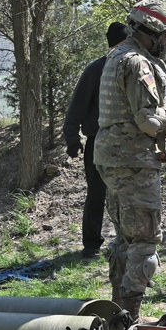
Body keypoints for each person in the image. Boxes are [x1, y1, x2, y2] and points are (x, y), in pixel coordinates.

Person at [94, 0, 166, 323]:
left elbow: (136, 108)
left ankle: (116, 313)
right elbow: (148, 122)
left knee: (125, 241)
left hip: (112, 160)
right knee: (145, 248)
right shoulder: (138, 63)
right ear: (155, 32)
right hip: (134, 162)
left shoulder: (117, 56)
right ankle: (127, 325)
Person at [63, 21, 126, 258]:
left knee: (125, 195)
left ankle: (125, 240)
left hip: (125, 143)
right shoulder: (95, 69)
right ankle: (91, 244)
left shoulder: (129, 68)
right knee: (97, 194)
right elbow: (77, 106)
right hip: (97, 142)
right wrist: (72, 138)